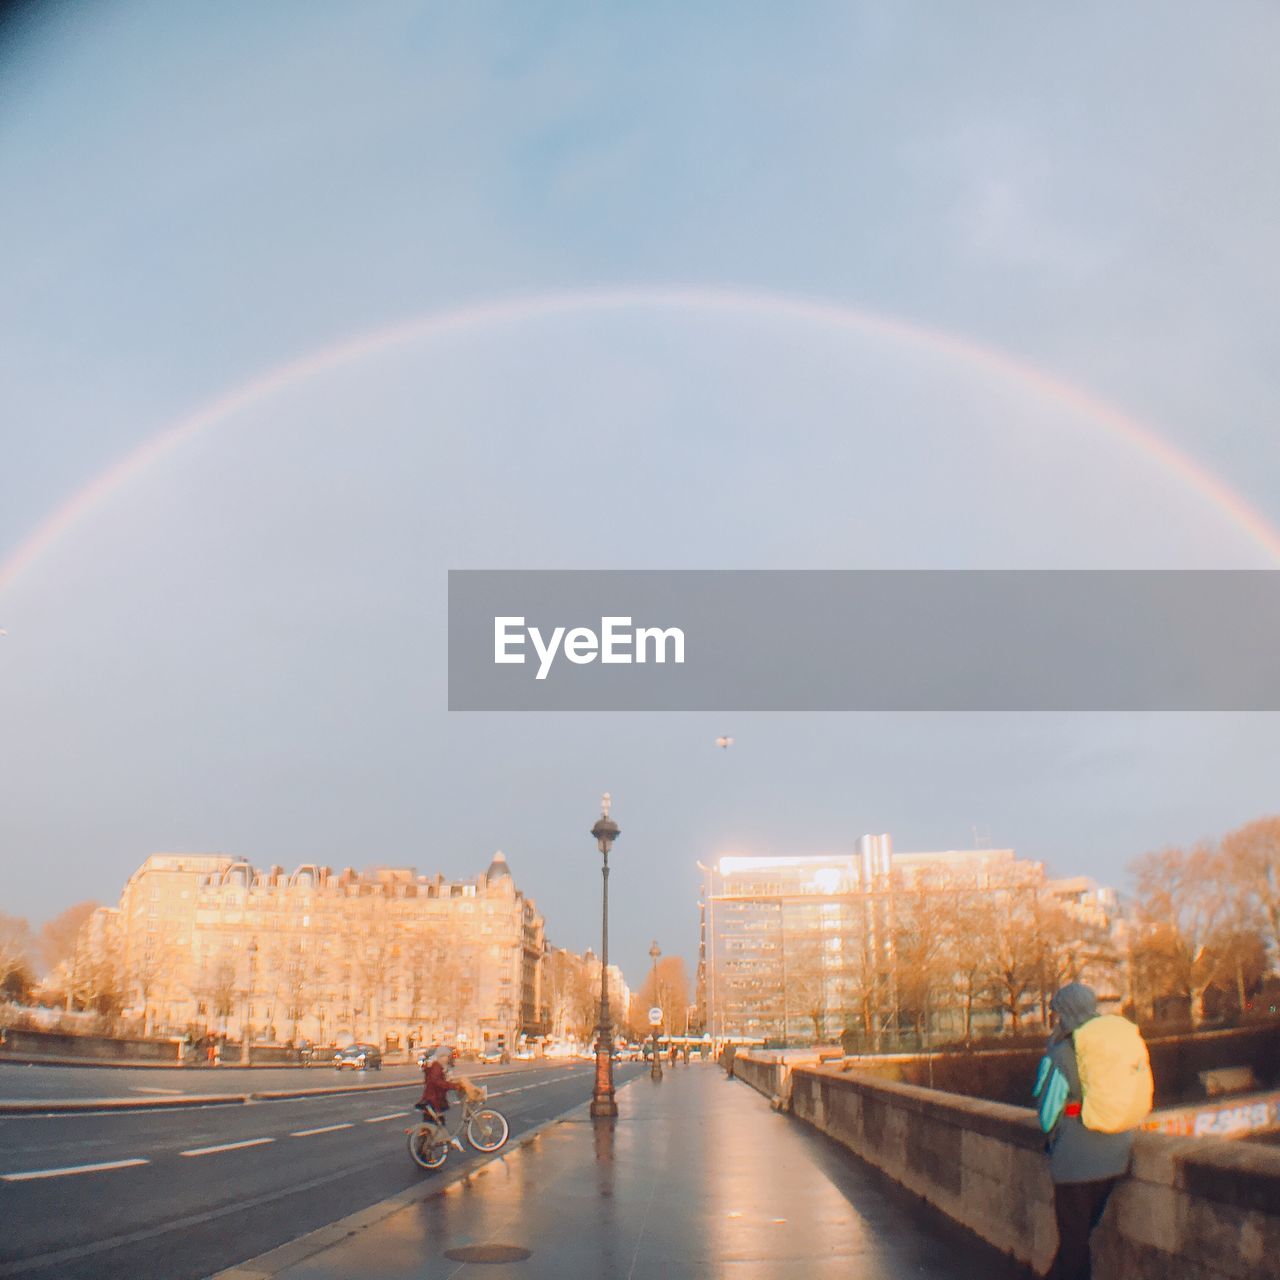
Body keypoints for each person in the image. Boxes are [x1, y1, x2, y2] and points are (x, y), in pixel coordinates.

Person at [1033, 983, 1141, 1280]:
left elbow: (1046, 1116)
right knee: (1078, 1239)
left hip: (1076, 1163)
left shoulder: (1063, 1052)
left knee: (1073, 1246)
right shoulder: (1113, 1045)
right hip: (1116, 1154)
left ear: (1063, 1013)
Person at [417, 1045, 463, 1151]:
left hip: (434, 1100)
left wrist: (451, 1084)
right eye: (446, 1056)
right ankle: (425, 1149)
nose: (448, 1059)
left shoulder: (439, 1067)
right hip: (433, 1101)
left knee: (433, 1125)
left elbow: (440, 1082)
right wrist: (453, 1086)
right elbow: (437, 1083)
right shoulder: (436, 1067)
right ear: (441, 1057)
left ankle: (426, 1149)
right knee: (434, 1125)